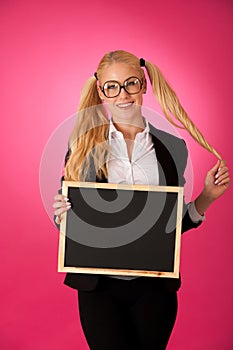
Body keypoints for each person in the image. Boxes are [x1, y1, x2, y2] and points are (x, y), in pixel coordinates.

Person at [53, 50, 230, 350]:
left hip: (154, 287)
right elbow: (74, 225)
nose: (123, 94)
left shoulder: (173, 148)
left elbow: (168, 227)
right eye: (112, 86)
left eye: (131, 83)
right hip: (99, 288)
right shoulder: (82, 145)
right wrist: (63, 217)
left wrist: (207, 197)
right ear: (101, 91)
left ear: (144, 85)